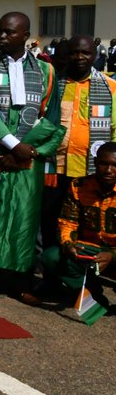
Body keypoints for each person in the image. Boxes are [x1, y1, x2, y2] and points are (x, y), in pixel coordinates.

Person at [0, 12, 64, 301]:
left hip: (28, 158)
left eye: (9, 32)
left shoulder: (46, 71)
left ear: (26, 35)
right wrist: (12, 145)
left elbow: (51, 116)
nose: (2, 36)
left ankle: (20, 280)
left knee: (23, 218)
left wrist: (25, 151)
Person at [35, 35, 116, 303]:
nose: (80, 57)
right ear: (66, 54)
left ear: (95, 54)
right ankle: (51, 282)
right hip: (55, 169)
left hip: (91, 174)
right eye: (74, 52)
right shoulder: (52, 83)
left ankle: (86, 287)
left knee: (88, 231)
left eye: (86, 53)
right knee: (51, 226)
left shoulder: (110, 87)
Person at [58, 141, 116, 313]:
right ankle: (93, 297)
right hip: (90, 249)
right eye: (104, 164)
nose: (108, 170)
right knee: (52, 257)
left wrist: (112, 255)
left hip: (113, 251)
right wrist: (68, 244)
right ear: (95, 163)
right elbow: (67, 223)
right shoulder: (79, 186)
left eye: (115, 165)